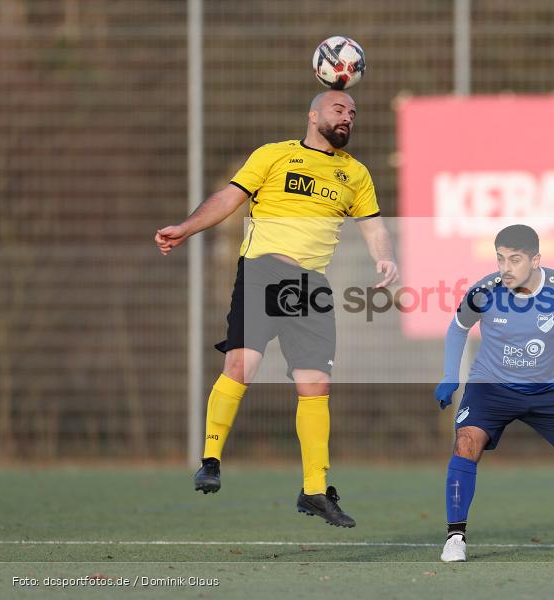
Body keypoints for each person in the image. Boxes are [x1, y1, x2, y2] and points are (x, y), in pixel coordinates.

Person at [155, 90, 398, 527]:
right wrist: (185, 228)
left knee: (316, 385)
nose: (348, 118)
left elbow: (374, 225)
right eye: (339, 110)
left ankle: (314, 490)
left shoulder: (355, 174)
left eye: (353, 114)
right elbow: (228, 199)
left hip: (312, 285)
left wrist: (385, 256)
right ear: (313, 114)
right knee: (241, 365)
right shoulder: (273, 156)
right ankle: (210, 459)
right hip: (264, 272)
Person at [434, 224, 554, 562]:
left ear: (536, 260)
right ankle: (455, 537)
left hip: (544, 388)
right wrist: (451, 376)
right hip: (490, 387)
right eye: (500, 258)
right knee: (466, 440)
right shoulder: (485, 290)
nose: (505, 267)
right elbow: (458, 328)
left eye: (515, 259)